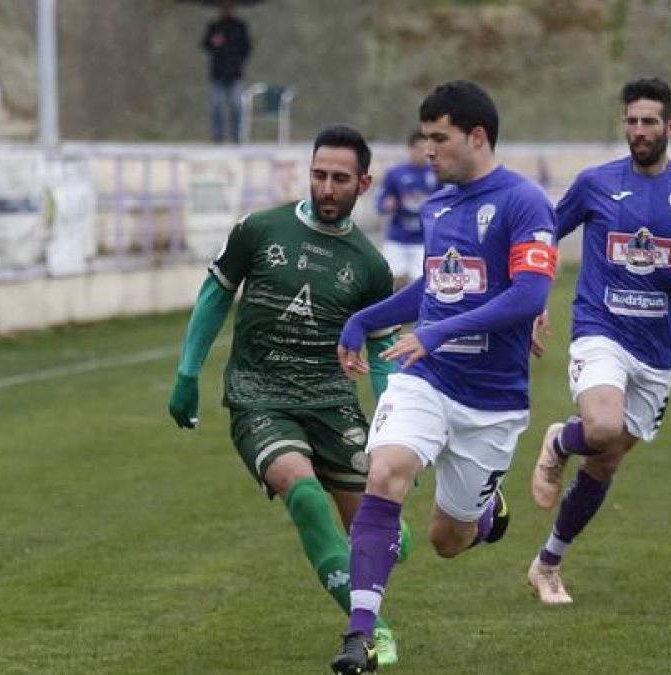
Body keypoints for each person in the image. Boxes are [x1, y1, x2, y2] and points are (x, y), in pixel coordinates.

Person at [330, 80, 558, 674]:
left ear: (476, 137)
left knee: (446, 540)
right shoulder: (438, 206)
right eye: (425, 137)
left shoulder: (524, 202)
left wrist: (436, 331)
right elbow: (438, 289)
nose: (427, 150)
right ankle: (360, 637)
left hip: (493, 401)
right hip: (427, 378)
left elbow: (529, 292)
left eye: (439, 137)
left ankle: (485, 512)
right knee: (385, 472)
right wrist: (363, 319)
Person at [168, 124, 406, 667]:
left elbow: (384, 348)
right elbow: (214, 296)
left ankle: (380, 559)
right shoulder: (260, 229)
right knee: (302, 494)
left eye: (339, 178)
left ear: (363, 184)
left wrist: (391, 431)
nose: (326, 187)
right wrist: (187, 375)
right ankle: (369, 631)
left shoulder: (369, 265)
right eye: (318, 174)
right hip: (259, 397)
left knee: (372, 526)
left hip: (332, 404)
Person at [526, 77, 671, 606]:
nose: (639, 131)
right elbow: (542, 236)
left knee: (605, 460)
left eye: (650, 122)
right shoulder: (595, 183)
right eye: (632, 121)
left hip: (657, 351)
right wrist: (533, 298)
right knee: (600, 427)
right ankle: (559, 442)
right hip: (598, 329)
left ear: (670, 127)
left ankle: (547, 564)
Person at [375, 131, 437, 289]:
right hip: (398, 238)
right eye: (418, 148)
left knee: (421, 285)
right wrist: (386, 204)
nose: (422, 153)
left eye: (425, 149)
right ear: (410, 149)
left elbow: (446, 201)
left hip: (423, 240)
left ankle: (416, 314)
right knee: (392, 281)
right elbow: (380, 202)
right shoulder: (395, 173)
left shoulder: (436, 173)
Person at [200, 0, 250, 144]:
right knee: (217, 105)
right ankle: (218, 137)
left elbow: (246, 47)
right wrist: (213, 42)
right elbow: (205, 45)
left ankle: (237, 136)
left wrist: (238, 60)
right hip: (218, 72)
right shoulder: (214, 26)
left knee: (237, 105)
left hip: (235, 73)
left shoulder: (240, 27)